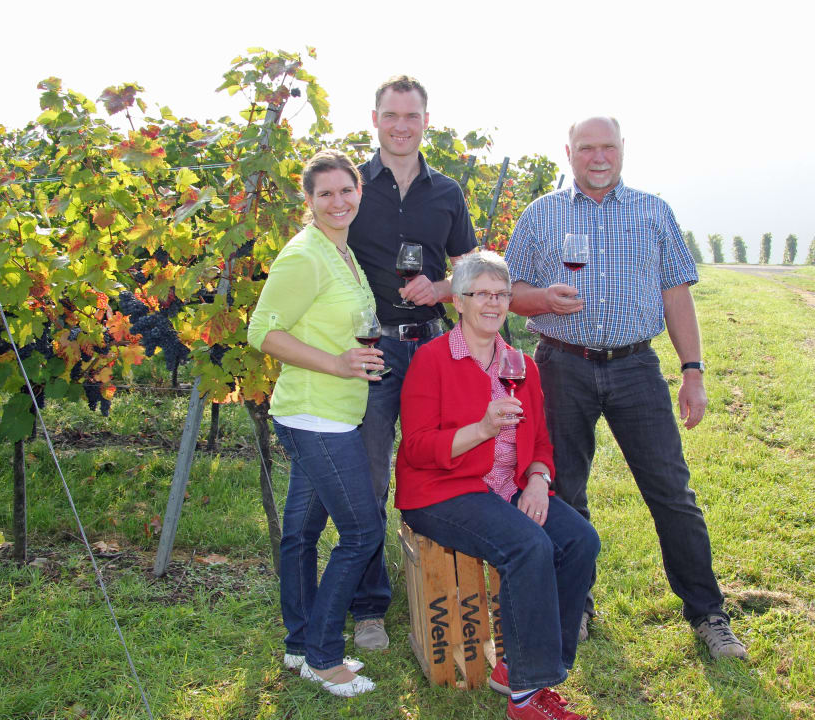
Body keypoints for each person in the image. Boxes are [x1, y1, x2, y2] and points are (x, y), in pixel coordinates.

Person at [504, 116, 748, 660]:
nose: (597, 157)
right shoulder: (542, 213)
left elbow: (676, 294)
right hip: (561, 365)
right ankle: (577, 603)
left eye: (607, 147)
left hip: (636, 368)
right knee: (564, 492)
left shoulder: (652, 211)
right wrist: (543, 300)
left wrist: (693, 370)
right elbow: (509, 290)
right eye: (586, 147)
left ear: (622, 150)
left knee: (671, 492)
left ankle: (708, 613)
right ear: (568, 152)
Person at [396, 251, 600, 720]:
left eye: (502, 294)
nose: (493, 303)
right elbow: (418, 450)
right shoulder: (432, 360)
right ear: (459, 303)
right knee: (529, 546)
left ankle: (526, 668)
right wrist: (482, 430)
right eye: (481, 294)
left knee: (580, 541)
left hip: (508, 487)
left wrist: (537, 479)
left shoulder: (520, 364)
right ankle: (526, 700)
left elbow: (542, 442)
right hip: (443, 490)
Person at [345, 74, 478, 650]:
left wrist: (444, 288)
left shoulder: (447, 191)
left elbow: (470, 271)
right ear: (375, 118)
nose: (402, 126)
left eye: (412, 116)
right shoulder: (349, 187)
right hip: (372, 350)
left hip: (430, 346)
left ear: (427, 122)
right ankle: (370, 605)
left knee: (444, 466)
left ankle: (451, 585)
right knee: (369, 479)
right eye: (391, 115)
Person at [248, 149, 387, 697]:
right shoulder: (304, 255)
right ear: (307, 201)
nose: (337, 201)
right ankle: (325, 657)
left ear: (358, 192)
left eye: (346, 190)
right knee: (361, 531)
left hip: (332, 412)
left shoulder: (341, 253)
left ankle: (299, 643)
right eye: (324, 194)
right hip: (315, 416)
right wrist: (335, 363)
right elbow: (263, 331)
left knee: (302, 534)